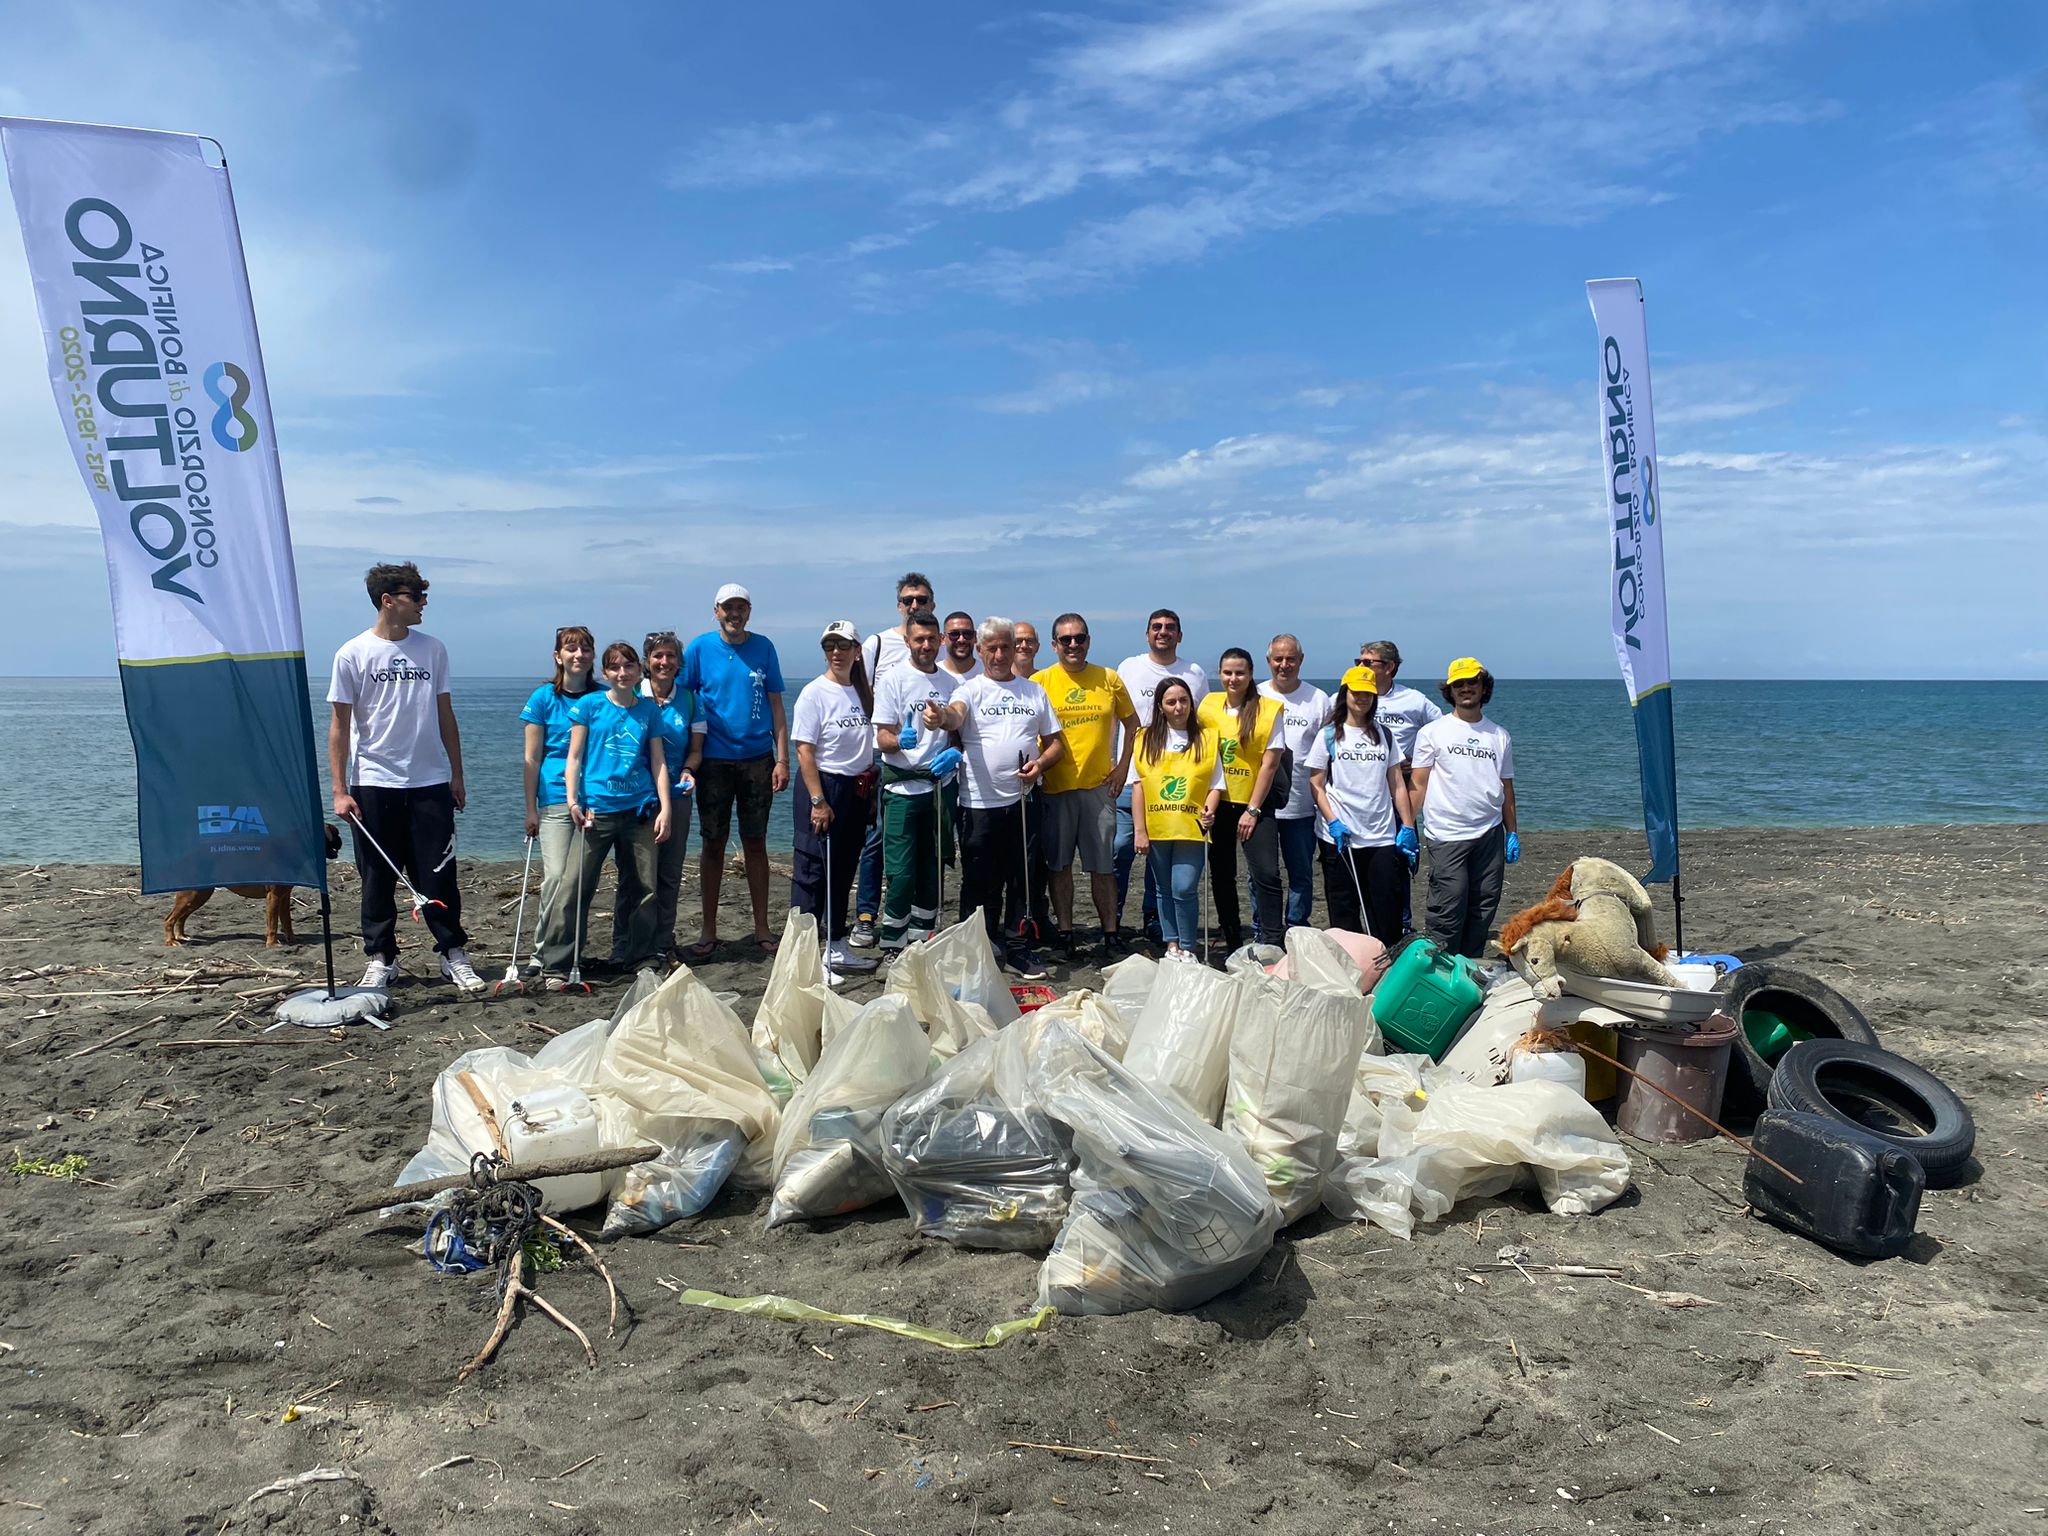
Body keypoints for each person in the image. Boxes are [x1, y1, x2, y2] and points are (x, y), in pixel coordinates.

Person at [327, 561, 484, 995]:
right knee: (377, 876)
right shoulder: (352, 653)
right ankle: (381, 958)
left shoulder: (433, 649)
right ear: (388, 601)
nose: (423, 605)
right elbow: (339, 725)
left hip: (429, 781)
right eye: (417, 597)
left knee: (438, 874)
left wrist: (457, 773)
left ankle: (453, 954)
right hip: (374, 782)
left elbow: (445, 713)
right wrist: (340, 791)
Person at [924, 617, 1066, 980]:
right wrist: (940, 716)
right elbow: (955, 717)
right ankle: (979, 949)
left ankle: (1019, 947)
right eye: (993, 648)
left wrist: (1040, 764)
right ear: (980, 650)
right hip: (978, 805)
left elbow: (1056, 745)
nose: (1000, 654)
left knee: (1022, 879)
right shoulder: (970, 690)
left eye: (1006, 646)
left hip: (1022, 803)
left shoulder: (1033, 691)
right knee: (978, 880)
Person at [680, 584, 788, 957]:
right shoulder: (698, 649)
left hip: (758, 759)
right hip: (712, 761)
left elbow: (776, 705)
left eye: (740, 607)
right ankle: (708, 931)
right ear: (716, 611)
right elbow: (684, 702)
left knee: (756, 844)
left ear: (749, 611)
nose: (734, 614)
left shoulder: (764, 648)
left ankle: (762, 928)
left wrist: (782, 758)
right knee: (713, 844)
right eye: (728, 608)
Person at [563, 642, 674, 979]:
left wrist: (665, 808)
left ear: (639, 670)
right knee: (576, 885)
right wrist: (573, 801)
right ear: (605, 673)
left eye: (629, 666)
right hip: (597, 811)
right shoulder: (590, 705)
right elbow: (575, 757)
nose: (623, 673)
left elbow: (658, 762)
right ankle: (562, 960)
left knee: (644, 887)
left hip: (639, 809)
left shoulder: (649, 711)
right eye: (615, 667)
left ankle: (639, 956)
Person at [1031, 612, 1137, 960]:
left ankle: (1110, 934)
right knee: (1059, 866)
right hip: (1055, 789)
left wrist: (1123, 766)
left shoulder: (1108, 678)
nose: (1073, 645)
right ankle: (1065, 934)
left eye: (1079, 638)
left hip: (1099, 789)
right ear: (1054, 645)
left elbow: (1133, 725)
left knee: (1102, 867)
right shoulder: (1041, 681)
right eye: (1066, 639)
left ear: (1089, 641)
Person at [849, 572, 936, 951]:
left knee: (928, 851)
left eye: (921, 599)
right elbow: (856, 686)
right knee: (878, 841)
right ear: (898, 604)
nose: (914, 605)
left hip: (931, 769)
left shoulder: (939, 649)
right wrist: (881, 737)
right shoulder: (879, 644)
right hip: (882, 756)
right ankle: (867, 916)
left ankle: (920, 927)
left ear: (932, 603)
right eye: (907, 600)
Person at [1411, 657, 1519, 960]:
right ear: (1450, 691)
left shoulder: (1499, 735)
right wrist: (1407, 825)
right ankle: (1439, 969)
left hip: (1489, 834)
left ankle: (1469, 966)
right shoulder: (1433, 732)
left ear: (1483, 687)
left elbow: (1506, 788)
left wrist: (1512, 832)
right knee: (1449, 905)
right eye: (1459, 684)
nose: (1466, 689)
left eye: (1472, 682)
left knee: (1483, 906)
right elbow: (1418, 783)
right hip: (1447, 834)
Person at [872, 608, 964, 951]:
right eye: (918, 639)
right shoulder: (893, 679)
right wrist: (899, 742)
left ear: (941, 641)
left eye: (931, 639)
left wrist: (955, 753)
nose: (925, 645)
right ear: (908, 641)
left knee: (932, 869)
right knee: (900, 873)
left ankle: (920, 940)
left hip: (939, 789)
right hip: (901, 789)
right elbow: (881, 736)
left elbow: (957, 731)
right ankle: (892, 944)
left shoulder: (951, 683)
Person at [1114, 609, 1208, 944]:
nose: (1163, 632)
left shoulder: (1194, 674)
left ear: (1180, 635)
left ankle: (1156, 923)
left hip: (1178, 791)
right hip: (1133, 780)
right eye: (1156, 627)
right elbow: (1118, 721)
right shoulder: (1129, 668)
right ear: (1147, 633)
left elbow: (1203, 726)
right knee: (1122, 848)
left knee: (1165, 868)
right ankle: (1113, 922)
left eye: (1170, 628)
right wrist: (1119, 766)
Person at [1306, 666, 1418, 945]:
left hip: (1380, 836)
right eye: (1356, 692)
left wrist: (1407, 826)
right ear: (1345, 693)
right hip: (1340, 838)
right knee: (1343, 912)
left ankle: (1386, 967)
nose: (1362, 698)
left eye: (1368, 693)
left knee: (1386, 911)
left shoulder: (1384, 735)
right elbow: (1316, 785)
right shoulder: (1329, 735)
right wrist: (1333, 821)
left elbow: (1397, 784)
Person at [791, 622, 880, 972]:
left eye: (844, 646)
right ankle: (804, 956)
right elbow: (804, 751)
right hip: (823, 786)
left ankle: (836, 945)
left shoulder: (863, 692)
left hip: (856, 790)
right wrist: (818, 800)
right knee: (812, 873)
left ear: (857, 651)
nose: (837, 653)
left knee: (842, 871)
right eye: (830, 646)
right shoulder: (815, 693)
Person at [520, 625, 599, 976]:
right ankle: (542, 951)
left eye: (585, 648)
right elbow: (532, 758)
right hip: (553, 799)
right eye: (571, 648)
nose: (578, 654)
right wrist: (530, 808)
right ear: (558, 656)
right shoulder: (543, 698)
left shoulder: (602, 696)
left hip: (594, 799)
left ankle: (567, 950)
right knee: (554, 877)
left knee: (578, 882)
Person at [1196, 648, 1286, 951]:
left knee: (1266, 874)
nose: (1233, 678)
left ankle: (1273, 939)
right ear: (1220, 674)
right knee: (1221, 875)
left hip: (1254, 804)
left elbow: (1270, 764)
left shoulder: (1269, 709)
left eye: (1240, 673)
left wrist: (1253, 809)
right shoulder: (1208, 706)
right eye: (1228, 672)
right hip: (1218, 802)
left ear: (1250, 675)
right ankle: (1232, 935)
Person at [1130, 677, 1223, 963]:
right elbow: (1138, 786)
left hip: (1192, 828)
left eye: (1184, 700)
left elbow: (1216, 783)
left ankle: (1188, 945)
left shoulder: (1206, 738)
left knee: (1184, 887)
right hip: (1158, 828)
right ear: (1160, 706)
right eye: (1171, 702)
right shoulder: (1144, 739)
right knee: (1163, 889)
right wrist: (1139, 831)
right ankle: (1171, 944)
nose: (1179, 707)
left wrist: (1210, 810)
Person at [636, 629, 704, 966]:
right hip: (635, 796)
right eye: (657, 656)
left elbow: (696, 750)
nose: (664, 662)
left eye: (670, 656)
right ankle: (630, 942)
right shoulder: (631, 694)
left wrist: (689, 770)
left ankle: (663, 941)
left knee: (669, 871)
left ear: (679, 662)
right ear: (647, 662)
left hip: (676, 796)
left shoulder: (691, 700)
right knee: (635, 873)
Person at [1259, 634, 1334, 931]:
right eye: (1278, 659)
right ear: (1269, 661)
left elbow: (1329, 752)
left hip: (1303, 805)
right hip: (1262, 804)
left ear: (1301, 660)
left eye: (1291, 659)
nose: (1284, 665)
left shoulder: (1318, 700)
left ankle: (1297, 928)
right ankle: (1264, 928)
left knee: (1301, 873)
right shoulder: (1257, 695)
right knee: (1263, 874)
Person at [1010, 619, 1052, 943]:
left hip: (1038, 784)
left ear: (1038, 646)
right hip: (998, 790)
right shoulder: (997, 681)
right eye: (1018, 641)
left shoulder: (1043, 683)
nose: (1023, 646)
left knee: (1037, 858)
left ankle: (1037, 916)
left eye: (1029, 641)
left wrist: (1042, 765)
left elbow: (1056, 737)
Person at [938, 611, 984, 680]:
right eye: (954, 634)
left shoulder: (988, 674)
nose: (961, 640)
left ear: (975, 637)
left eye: (967, 634)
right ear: (943, 639)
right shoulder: (932, 674)